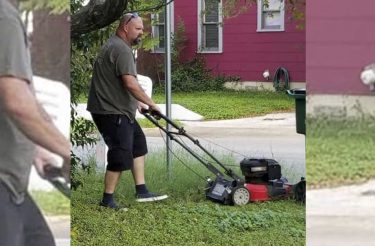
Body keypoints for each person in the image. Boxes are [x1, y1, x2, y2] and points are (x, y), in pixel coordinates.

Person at [0, 0, 71, 245]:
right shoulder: (4, 17)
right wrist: (69, 152)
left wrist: (37, 147)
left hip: (12, 188)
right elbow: (17, 102)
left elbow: (24, 97)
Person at [87, 13, 168, 210]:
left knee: (138, 145)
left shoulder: (115, 45)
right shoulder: (121, 49)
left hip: (118, 109)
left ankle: (142, 190)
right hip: (111, 111)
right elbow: (130, 83)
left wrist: (136, 103)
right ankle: (107, 200)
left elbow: (114, 81)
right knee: (121, 153)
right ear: (125, 28)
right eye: (138, 29)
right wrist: (151, 103)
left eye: (142, 28)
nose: (142, 32)